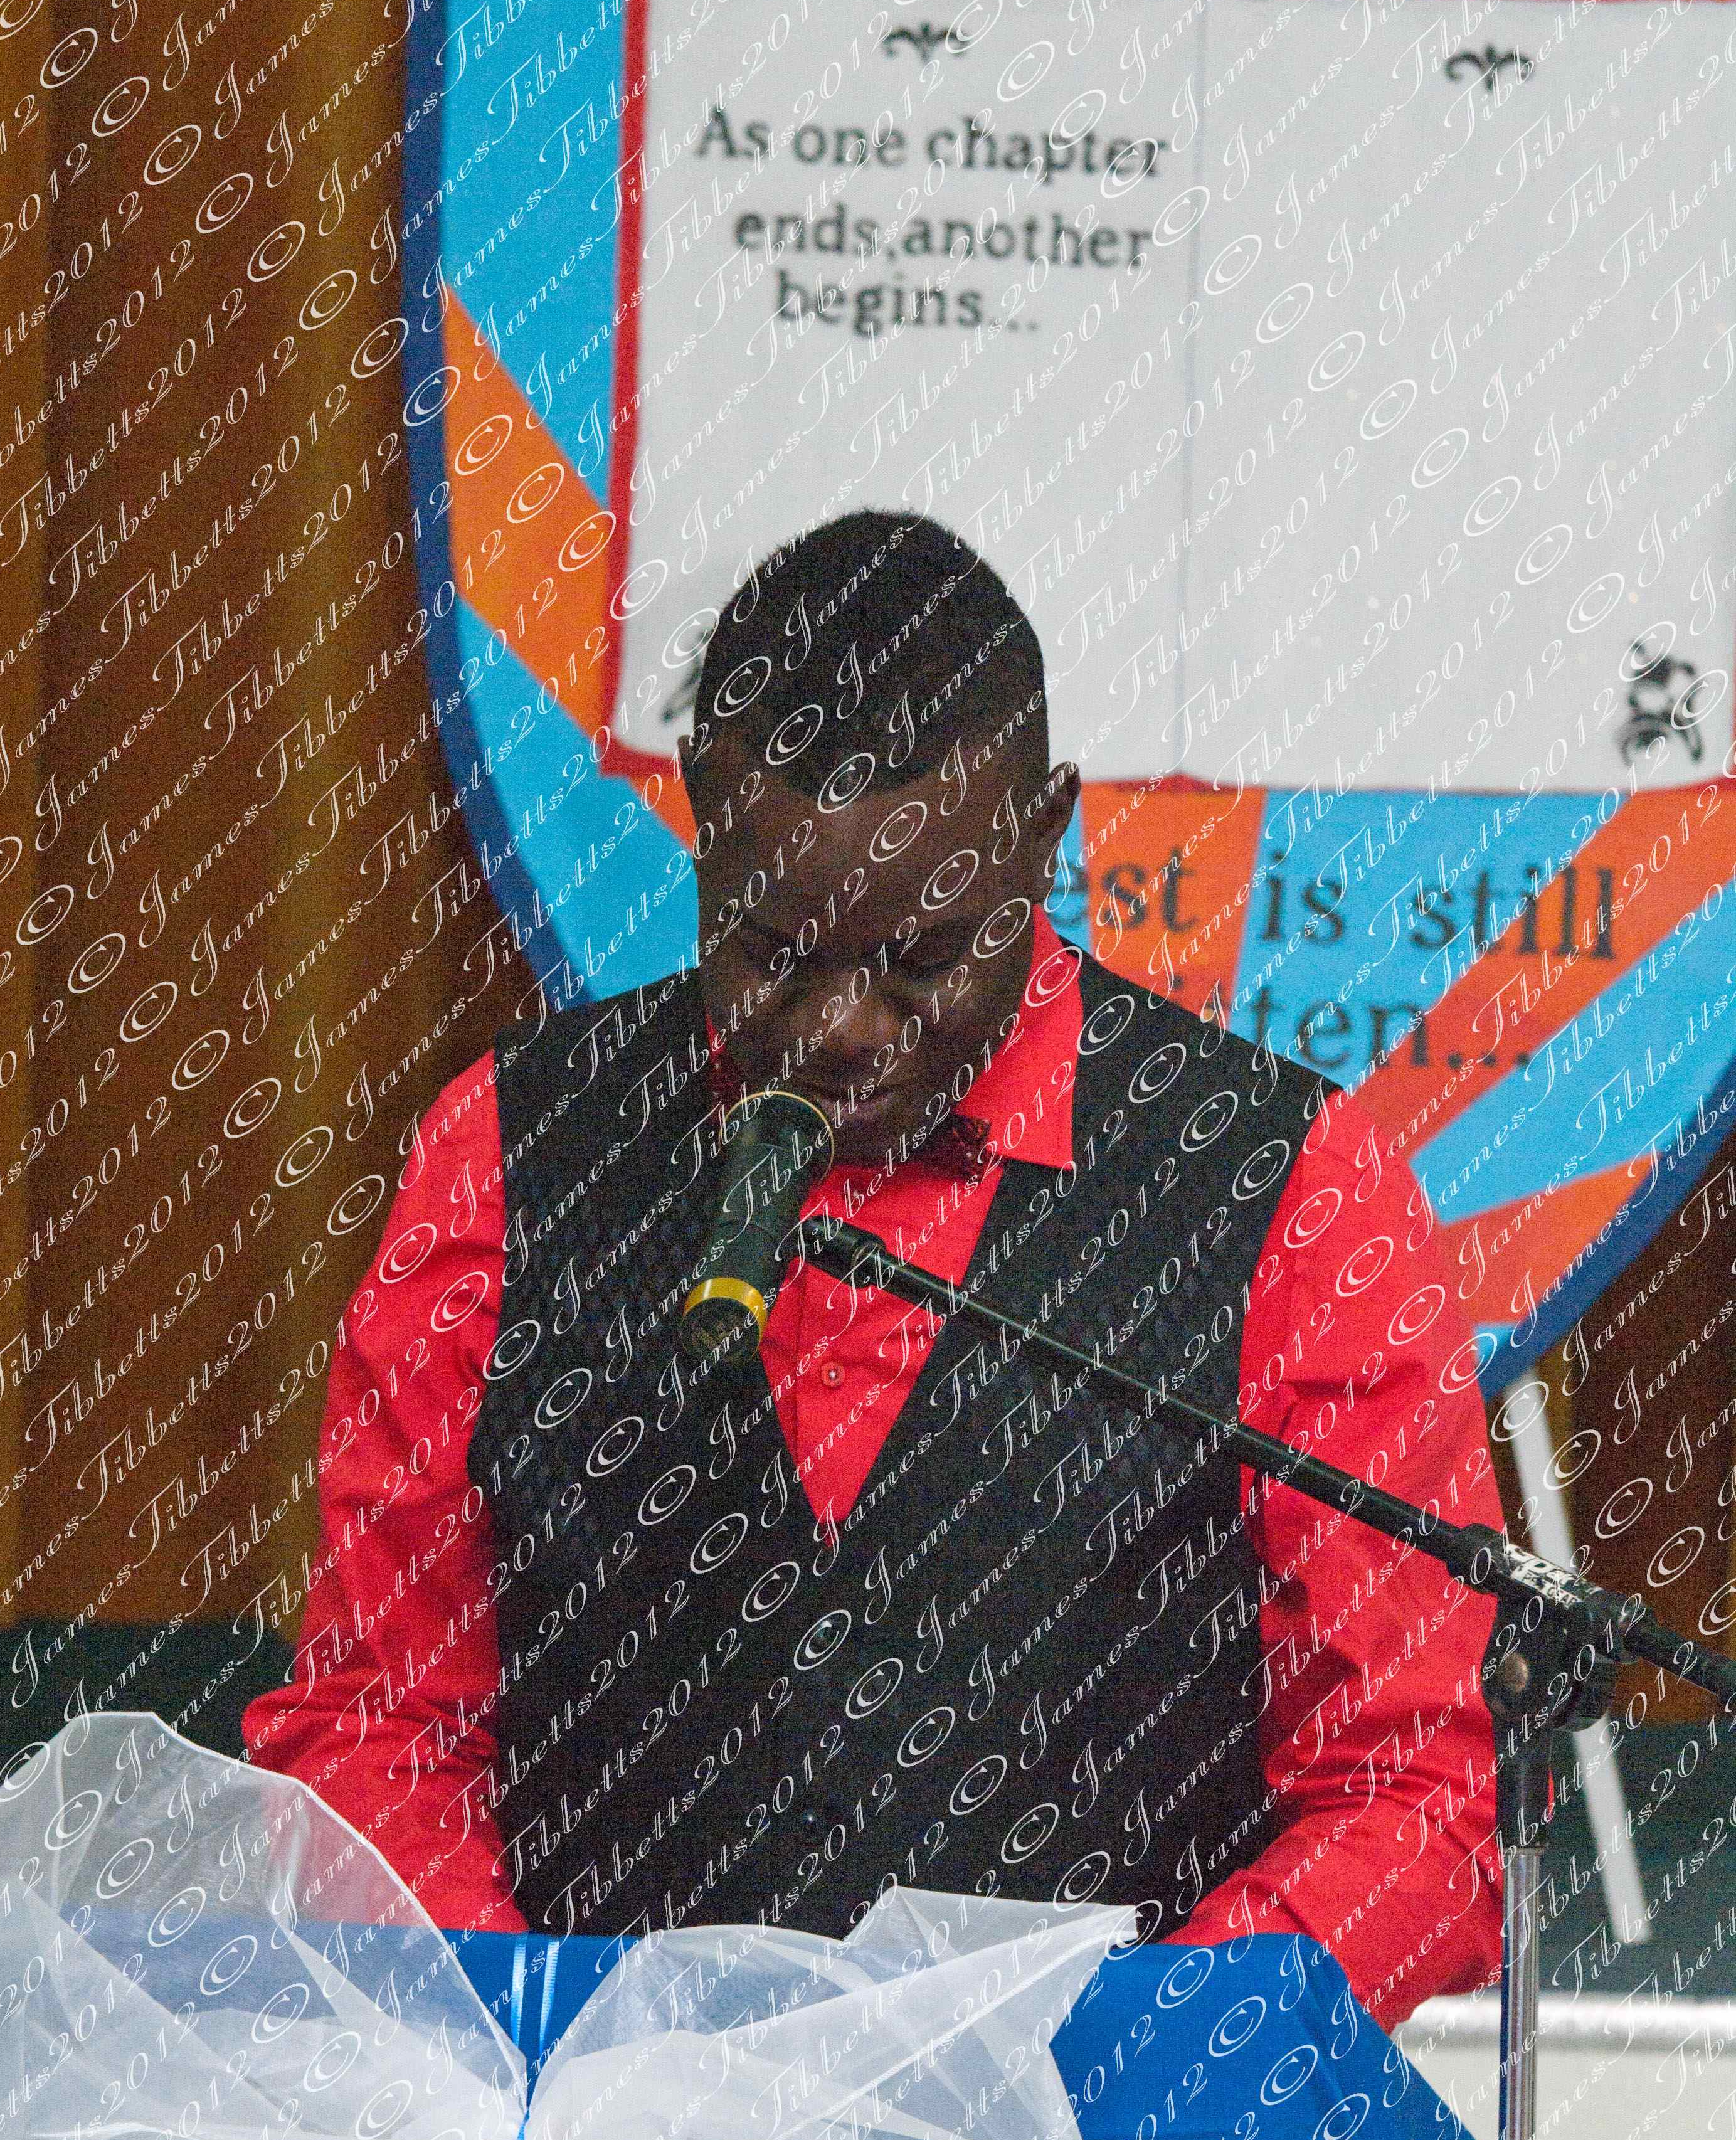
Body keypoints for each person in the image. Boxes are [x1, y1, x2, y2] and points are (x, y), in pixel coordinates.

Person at [243, 512, 1503, 2026]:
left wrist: (1128, 2064)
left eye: (924, 957)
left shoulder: (1288, 1187)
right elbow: (373, 1725)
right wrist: (526, 2035)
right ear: (701, 809)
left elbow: (1411, 1800)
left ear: (1046, 832)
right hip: (586, 2119)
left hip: (1112, 2130)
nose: (841, 1029)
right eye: (772, 951)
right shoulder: (504, 1149)